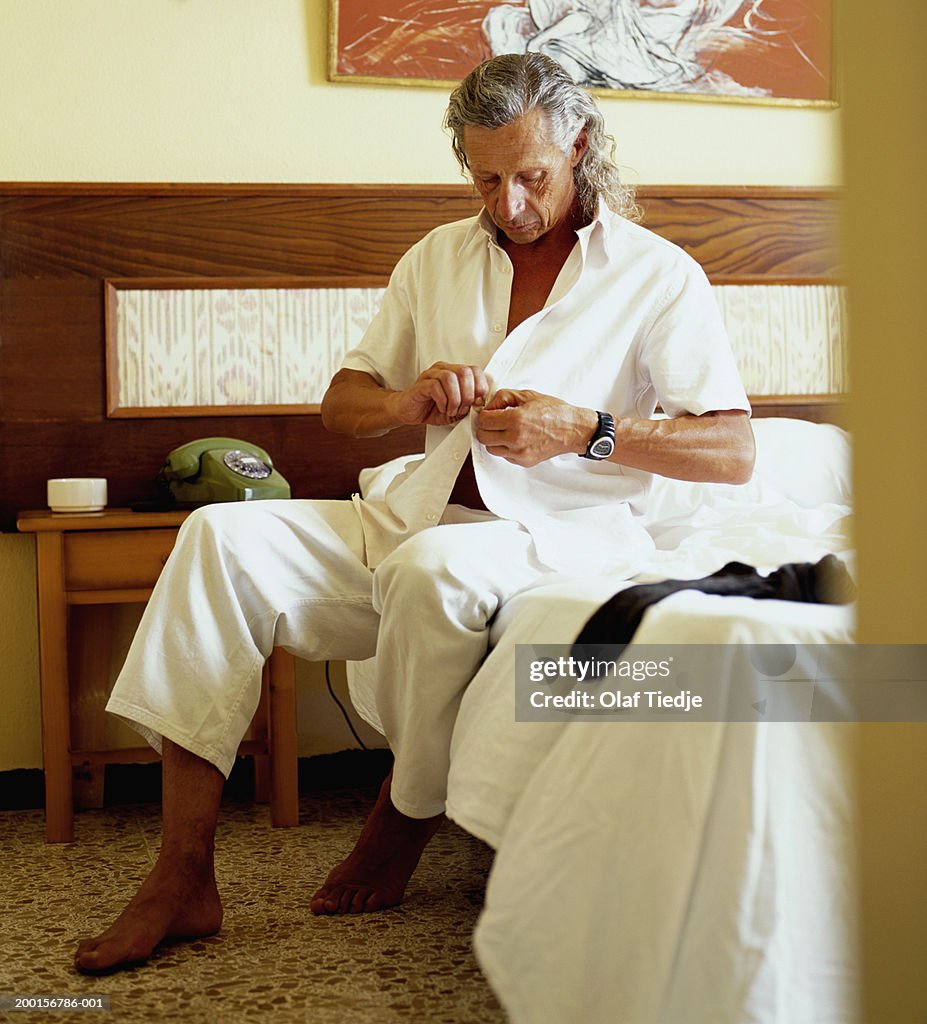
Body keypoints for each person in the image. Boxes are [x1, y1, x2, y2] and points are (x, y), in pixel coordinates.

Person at [74, 52, 754, 973]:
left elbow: (731, 451)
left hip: (546, 542)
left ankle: (401, 815)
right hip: (414, 511)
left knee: (431, 574)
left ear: (579, 144)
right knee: (216, 536)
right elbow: (341, 402)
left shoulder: (656, 276)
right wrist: (407, 405)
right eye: (484, 178)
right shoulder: (435, 255)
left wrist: (583, 430)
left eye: (531, 176)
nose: (508, 202)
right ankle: (181, 873)